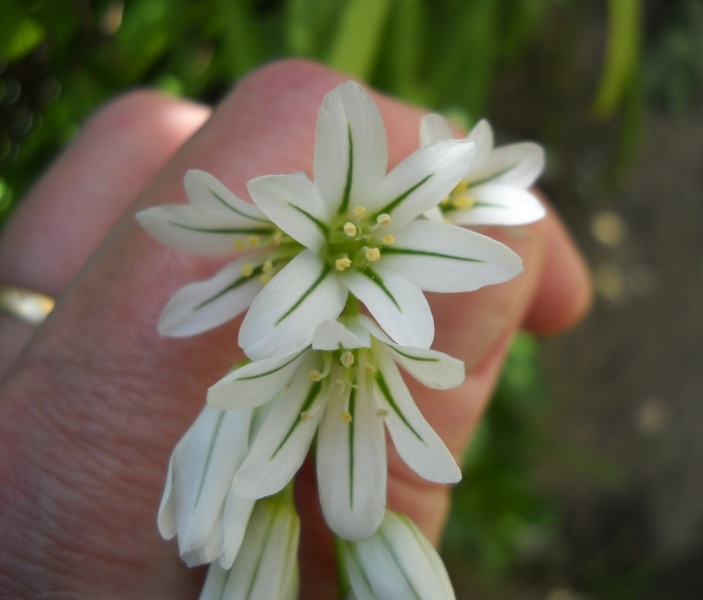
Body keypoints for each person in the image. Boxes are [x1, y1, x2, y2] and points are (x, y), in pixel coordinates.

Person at [0, 60, 592, 599]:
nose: (349, 243)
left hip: (339, 307)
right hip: (321, 288)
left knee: (315, 482)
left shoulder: (362, 285)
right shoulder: (320, 266)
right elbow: (278, 324)